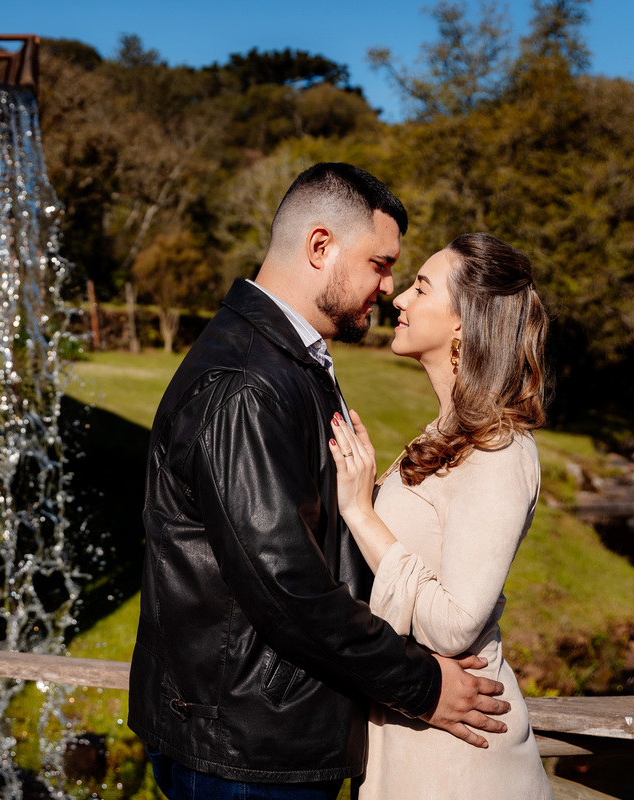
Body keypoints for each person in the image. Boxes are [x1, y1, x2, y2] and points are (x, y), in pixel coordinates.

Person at [128, 164, 511, 800]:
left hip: (261, 732)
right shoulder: (249, 385)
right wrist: (422, 684)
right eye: (381, 264)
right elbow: (287, 588)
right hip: (248, 748)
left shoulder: (287, 358)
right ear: (320, 247)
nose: (389, 289)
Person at [328, 232, 554, 799]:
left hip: (461, 760)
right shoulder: (445, 435)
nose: (399, 298)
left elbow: (456, 624)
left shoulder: (500, 451)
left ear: (463, 323)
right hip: (415, 733)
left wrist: (360, 511)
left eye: (421, 287)